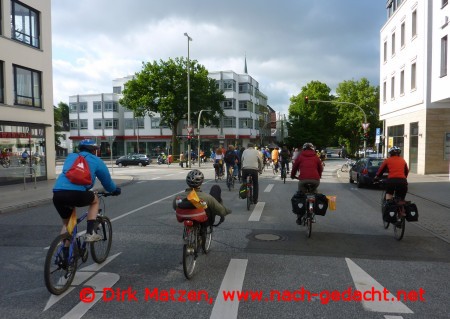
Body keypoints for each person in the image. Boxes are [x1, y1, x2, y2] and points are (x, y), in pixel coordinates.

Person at [53, 139, 121, 242]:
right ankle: (90, 233)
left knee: (68, 226)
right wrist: (114, 190)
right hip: (78, 193)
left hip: (58, 193)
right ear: (94, 151)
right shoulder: (97, 161)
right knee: (95, 200)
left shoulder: (71, 157)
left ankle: (66, 253)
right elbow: (107, 182)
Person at [290, 142, 323, 224]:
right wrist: (318, 176)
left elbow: (294, 167)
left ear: (303, 149)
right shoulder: (316, 156)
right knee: (314, 193)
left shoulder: (300, 156)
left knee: (300, 195)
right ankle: (312, 210)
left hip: (303, 180)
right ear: (313, 149)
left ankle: (299, 217)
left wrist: (292, 175)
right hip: (315, 180)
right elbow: (320, 168)